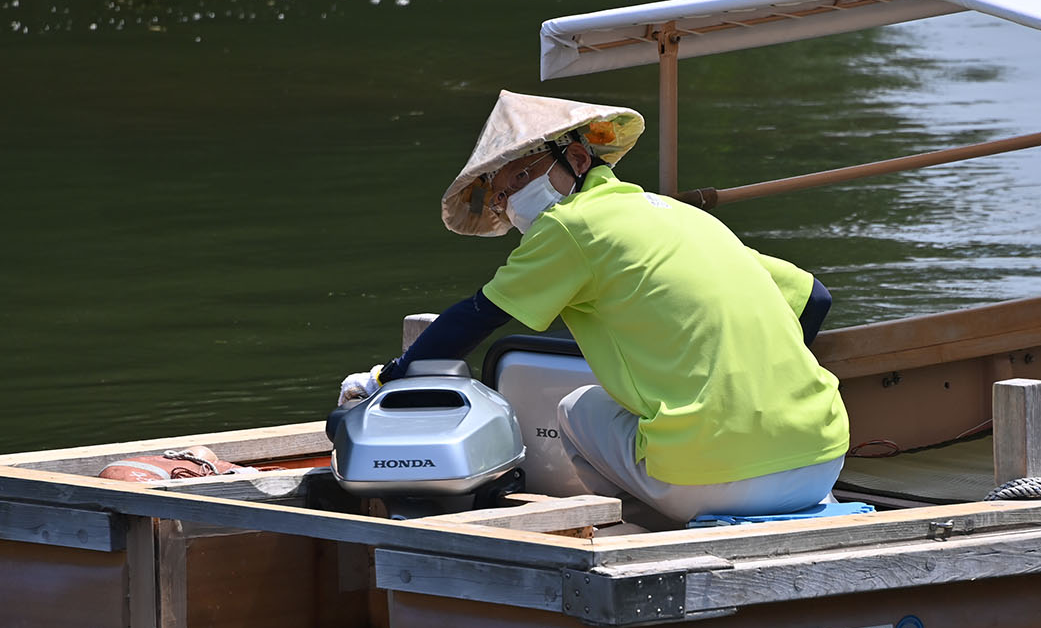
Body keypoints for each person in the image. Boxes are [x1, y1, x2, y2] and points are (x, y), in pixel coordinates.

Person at [338, 90, 850, 525]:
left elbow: (476, 317)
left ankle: (644, 531)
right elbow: (814, 298)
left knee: (575, 408)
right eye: (498, 197)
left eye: (517, 179)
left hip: (710, 479)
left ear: (578, 161)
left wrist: (387, 378)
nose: (509, 202)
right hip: (823, 459)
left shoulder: (569, 227)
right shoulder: (679, 214)